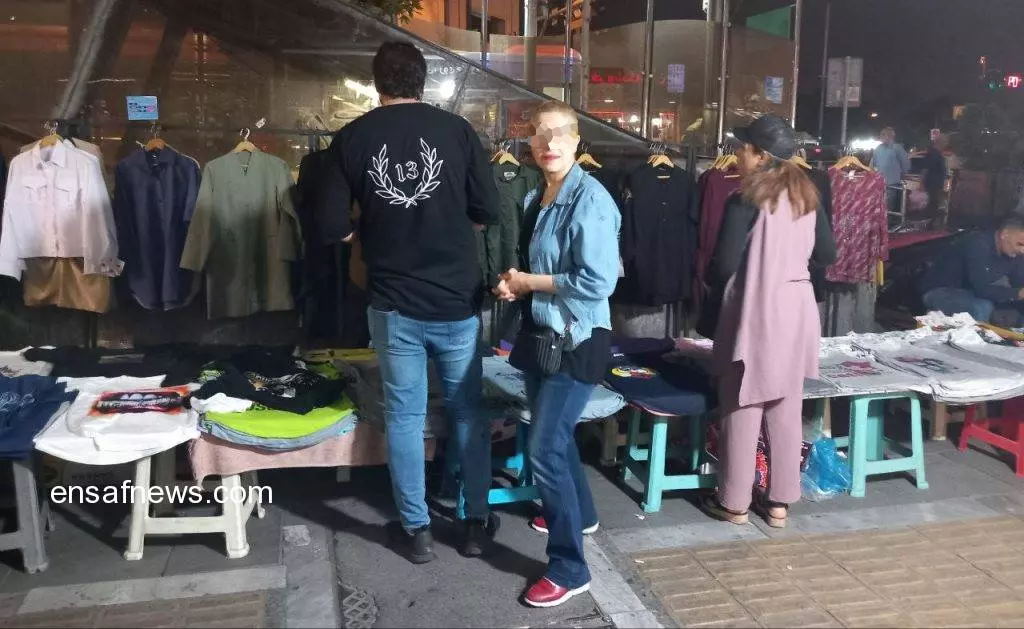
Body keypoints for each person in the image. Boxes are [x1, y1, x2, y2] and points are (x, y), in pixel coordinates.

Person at [314, 41, 501, 563]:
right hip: (456, 302)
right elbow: (489, 210)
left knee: (403, 415)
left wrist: (368, 235)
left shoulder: (351, 138)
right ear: (423, 81)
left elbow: (330, 225)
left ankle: (416, 530)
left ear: (378, 85)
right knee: (467, 411)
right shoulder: (458, 131)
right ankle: (474, 524)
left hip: (393, 303)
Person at [493, 101, 620, 608]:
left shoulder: (590, 199)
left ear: (577, 139)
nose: (549, 143)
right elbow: (537, 267)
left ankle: (570, 568)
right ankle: (581, 515)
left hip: (578, 340)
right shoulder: (537, 196)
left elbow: (597, 282)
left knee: (544, 449)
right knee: (554, 436)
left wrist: (530, 282)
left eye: (559, 133)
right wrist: (515, 284)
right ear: (529, 142)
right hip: (542, 335)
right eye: (540, 134)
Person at [700, 114, 821, 529]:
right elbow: (828, 254)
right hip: (798, 309)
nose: (737, 155)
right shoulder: (808, 196)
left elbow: (723, 265)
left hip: (755, 308)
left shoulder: (744, 200)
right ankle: (780, 503)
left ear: (761, 155)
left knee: (742, 402)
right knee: (786, 404)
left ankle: (734, 502)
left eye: (743, 148)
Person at [918, 215, 1024, 324]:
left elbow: (1019, 282)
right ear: (1004, 234)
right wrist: (1017, 293)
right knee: (982, 307)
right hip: (939, 291)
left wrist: (1019, 293)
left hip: (971, 292)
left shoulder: (1014, 253)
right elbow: (981, 289)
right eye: (1020, 244)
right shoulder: (978, 244)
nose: (1022, 250)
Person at [870, 127, 911, 212]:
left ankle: (889, 220)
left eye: (884, 134)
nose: (882, 136)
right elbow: (872, 165)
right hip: (879, 184)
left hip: (892, 184)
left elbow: (905, 164)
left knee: (889, 208)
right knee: (879, 207)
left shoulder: (897, 148)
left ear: (891, 136)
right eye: (882, 134)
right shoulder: (878, 149)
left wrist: (903, 174)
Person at [920, 133, 949, 219]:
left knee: (933, 207)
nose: (946, 144)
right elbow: (925, 169)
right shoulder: (933, 154)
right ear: (940, 142)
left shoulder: (938, 154)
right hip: (931, 186)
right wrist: (922, 183)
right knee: (931, 207)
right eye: (945, 142)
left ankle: (930, 222)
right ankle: (927, 223)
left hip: (936, 186)